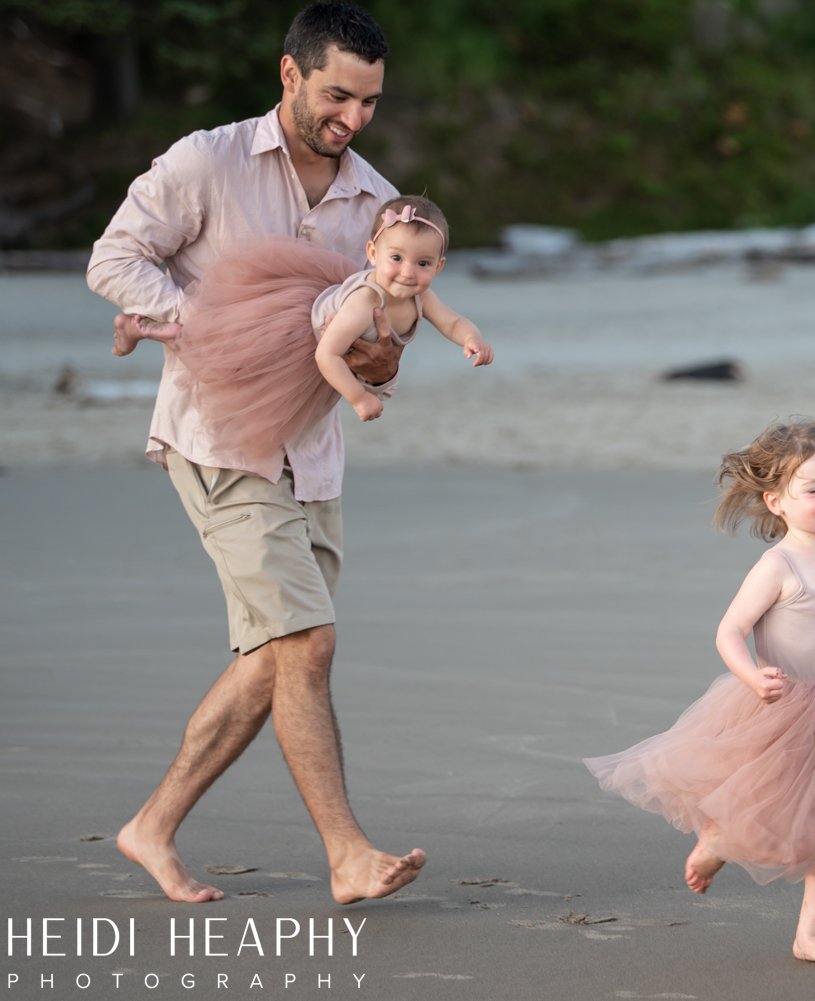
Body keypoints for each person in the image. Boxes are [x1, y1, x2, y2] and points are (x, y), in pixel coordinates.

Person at [85, 1, 425, 905]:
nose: (351, 120)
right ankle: (348, 852)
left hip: (310, 453)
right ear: (290, 74)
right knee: (307, 641)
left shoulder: (372, 199)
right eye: (336, 95)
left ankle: (150, 826)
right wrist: (211, 326)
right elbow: (115, 259)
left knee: (272, 656)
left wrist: (386, 352)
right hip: (220, 440)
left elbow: (385, 334)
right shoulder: (210, 160)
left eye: (370, 102)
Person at [584, 418, 815, 968]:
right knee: (771, 819)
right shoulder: (778, 566)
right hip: (780, 711)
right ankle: (718, 842)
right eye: (814, 489)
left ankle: (809, 935)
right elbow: (729, 631)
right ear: (777, 501)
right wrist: (751, 676)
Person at [117, 194, 493, 478]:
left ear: (439, 267)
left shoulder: (421, 295)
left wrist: (471, 339)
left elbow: (451, 321)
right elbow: (326, 356)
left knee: (222, 349)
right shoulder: (365, 301)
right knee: (229, 358)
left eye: (423, 263)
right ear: (372, 253)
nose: (408, 273)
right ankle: (146, 329)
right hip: (298, 332)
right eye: (396, 258)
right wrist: (358, 397)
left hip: (321, 337)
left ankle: (160, 329)